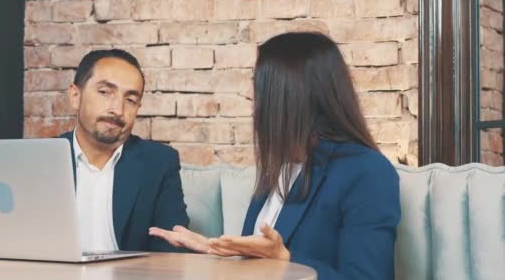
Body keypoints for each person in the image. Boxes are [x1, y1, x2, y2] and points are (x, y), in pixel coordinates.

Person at [149, 32, 401, 279]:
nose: (252, 99)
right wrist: (219, 252)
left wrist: (285, 261)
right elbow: (259, 265)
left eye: (259, 87)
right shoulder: (279, 168)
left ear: (287, 97)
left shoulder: (367, 172)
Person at [59, 49, 189, 252]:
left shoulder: (159, 163)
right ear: (75, 96)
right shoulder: (40, 161)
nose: (117, 110)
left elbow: (172, 249)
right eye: (105, 92)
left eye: (130, 100)